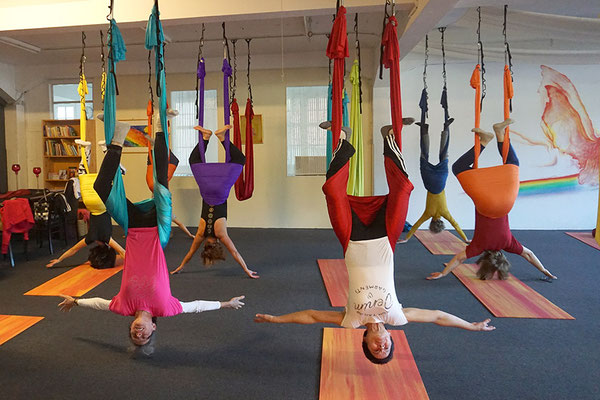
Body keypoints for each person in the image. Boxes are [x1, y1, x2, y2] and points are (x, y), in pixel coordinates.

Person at [255, 126, 494, 364]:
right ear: (391, 338)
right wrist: (470, 327)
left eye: (375, 350)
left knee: (332, 191)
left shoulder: (351, 320)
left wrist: (277, 319)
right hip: (385, 239)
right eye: (386, 348)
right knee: (403, 190)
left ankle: (342, 139)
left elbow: (311, 315)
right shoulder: (398, 316)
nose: (381, 346)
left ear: (365, 343)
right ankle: (388, 137)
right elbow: (438, 317)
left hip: (351, 238)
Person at [59, 112, 246, 356]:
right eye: (144, 336)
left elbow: (99, 303)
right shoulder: (166, 307)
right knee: (160, 185)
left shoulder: (122, 306)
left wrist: (76, 301)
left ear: (130, 328)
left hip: (133, 228)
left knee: (99, 190)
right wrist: (225, 304)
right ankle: (159, 126)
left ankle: (116, 141)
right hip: (159, 231)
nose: (139, 333)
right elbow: (195, 306)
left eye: (135, 335)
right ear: (153, 327)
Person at [427, 119, 557, 281]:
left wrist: (544, 269)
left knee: (513, 164)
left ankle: (499, 134)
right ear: (482, 261)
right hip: (485, 201)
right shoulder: (478, 246)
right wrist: (443, 273)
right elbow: (459, 258)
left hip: (505, 202)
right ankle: (484, 141)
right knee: (458, 168)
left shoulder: (509, 243)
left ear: (502, 256)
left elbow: (529, 255)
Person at [170, 125, 258, 279]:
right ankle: (206, 137)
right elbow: (190, 252)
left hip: (221, 190)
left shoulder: (221, 234)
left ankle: (222, 137)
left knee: (240, 160)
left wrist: (246, 270)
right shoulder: (200, 234)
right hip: (206, 188)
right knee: (194, 161)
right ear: (205, 245)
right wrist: (181, 266)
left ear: (217, 244)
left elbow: (235, 252)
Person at [46, 139, 125, 269]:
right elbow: (73, 250)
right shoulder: (92, 237)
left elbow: (122, 252)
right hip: (91, 202)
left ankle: (102, 151)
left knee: (109, 176)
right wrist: (59, 260)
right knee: (83, 176)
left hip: (101, 202)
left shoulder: (107, 238)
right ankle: (88, 150)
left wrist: (59, 260)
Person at [401, 115, 468, 242]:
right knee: (424, 154)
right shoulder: (428, 213)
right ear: (431, 222)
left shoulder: (445, 213)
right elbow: (415, 226)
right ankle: (424, 129)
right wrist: (406, 239)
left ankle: (446, 127)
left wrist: (465, 239)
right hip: (429, 181)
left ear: (441, 221)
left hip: (441, 180)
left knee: (444, 153)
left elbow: (456, 225)